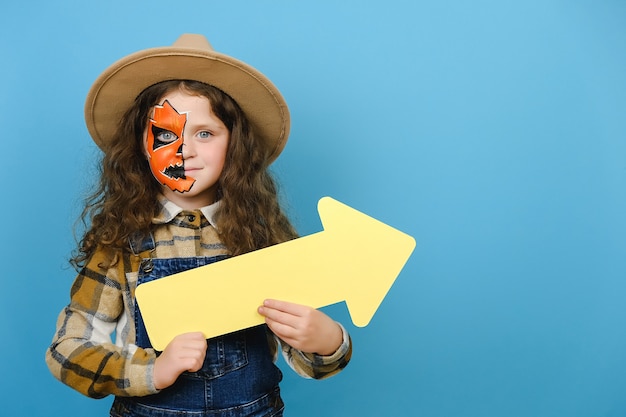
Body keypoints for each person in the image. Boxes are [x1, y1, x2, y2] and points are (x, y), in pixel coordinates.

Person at [45, 33, 352, 417]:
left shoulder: (262, 240)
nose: (184, 149)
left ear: (233, 144)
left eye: (204, 133)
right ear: (142, 145)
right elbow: (68, 349)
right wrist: (152, 371)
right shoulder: (122, 243)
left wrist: (326, 341)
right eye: (166, 135)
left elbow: (310, 360)